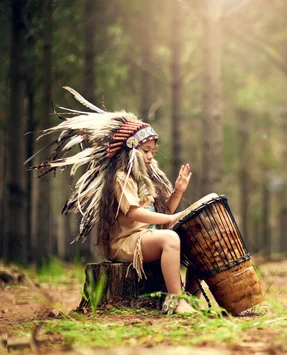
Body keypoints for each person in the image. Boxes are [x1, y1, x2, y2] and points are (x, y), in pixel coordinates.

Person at [28, 86, 203, 314]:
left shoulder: (145, 179)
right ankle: (175, 301)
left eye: (152, 151)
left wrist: (177, 193)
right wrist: (172, 217)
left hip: (145, 236)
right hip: (125, 242)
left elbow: (158, 213)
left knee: (195, 238)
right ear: (131, 149)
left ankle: (191, 296)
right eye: (146, 150)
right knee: (170, 238)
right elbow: (134, 214)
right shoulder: (121, 177)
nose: (151, 156)